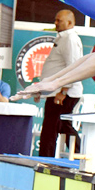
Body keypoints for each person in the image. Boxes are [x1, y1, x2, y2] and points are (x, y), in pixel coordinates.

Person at [38, 9, 83, 157]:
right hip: (57, 91)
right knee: (61, 126)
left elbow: (73, 66)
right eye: (55, 20)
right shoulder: (63, 38)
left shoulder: (70, 38)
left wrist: (63, 91)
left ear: (70, 23)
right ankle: (80, 155)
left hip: (64, 93)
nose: (55, 23)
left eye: (59, 20)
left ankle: (47, 160)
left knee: (51, 129)